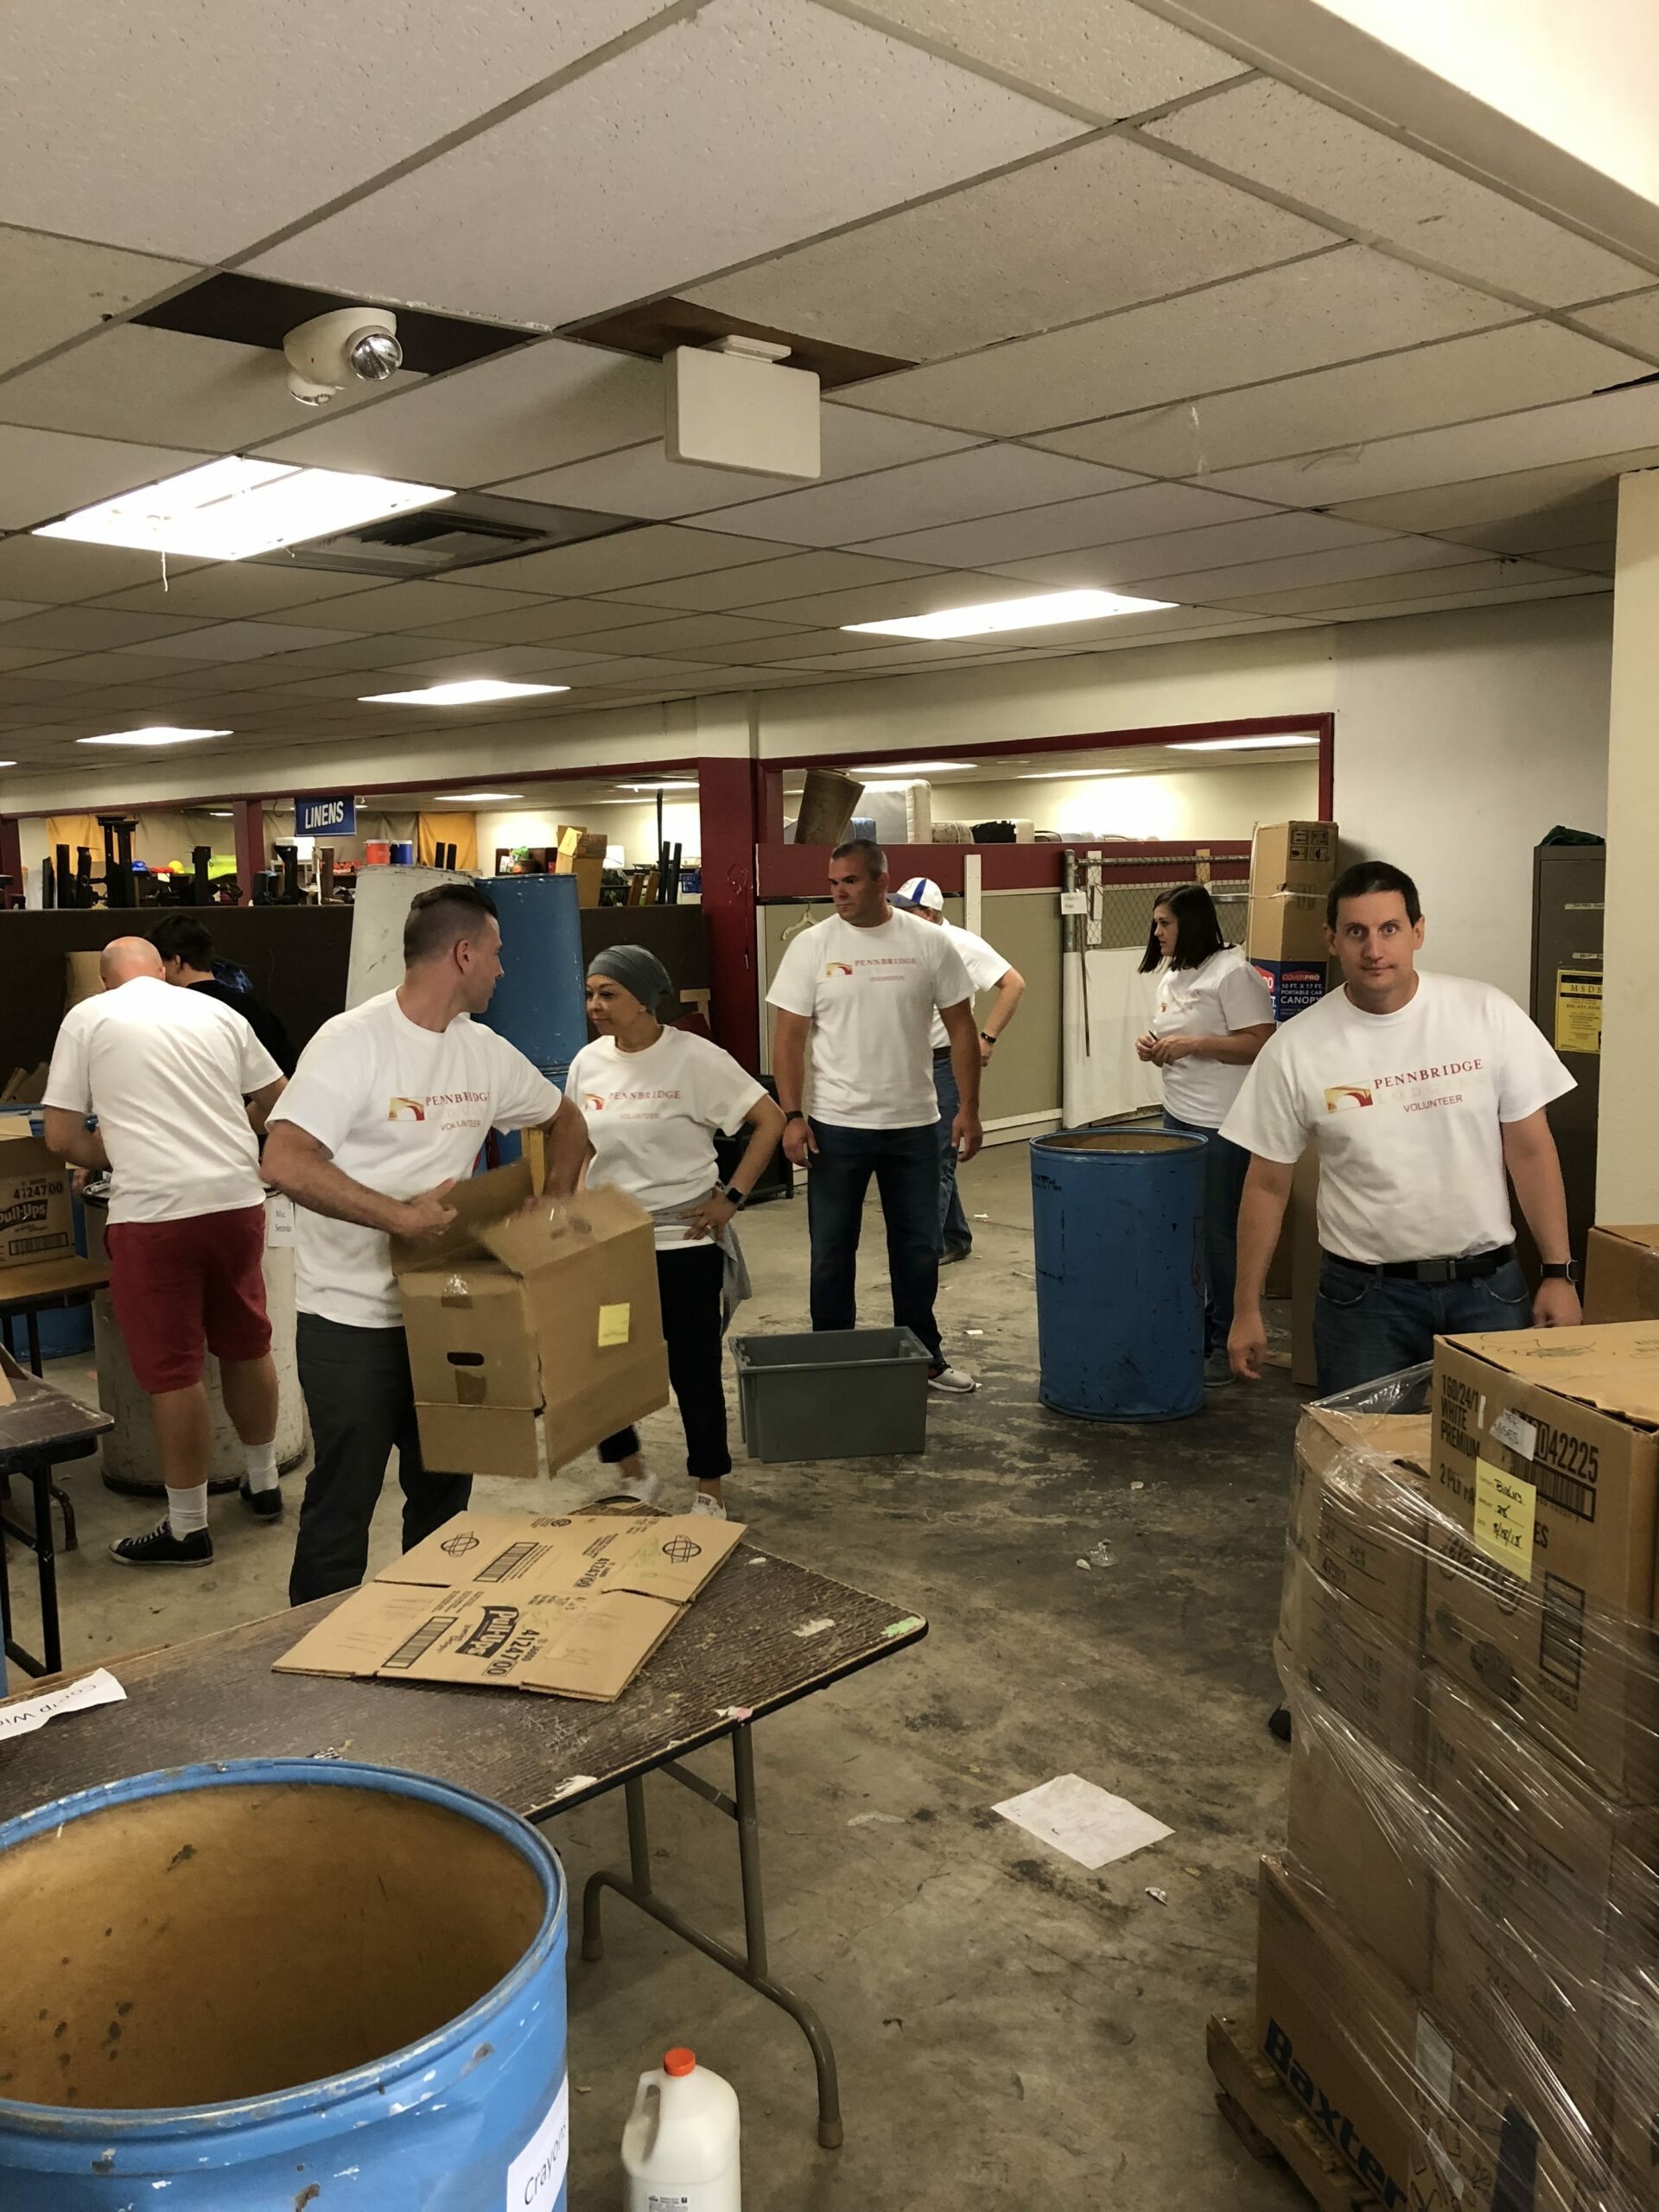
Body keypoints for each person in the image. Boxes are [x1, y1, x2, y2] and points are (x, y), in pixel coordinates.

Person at [263, 882, 589, 1605]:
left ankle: (430, 1623)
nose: (503, 971)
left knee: (445, 1490)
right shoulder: (352, 1043)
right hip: (351, 1318)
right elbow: (284, 1161)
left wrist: (554, 1207)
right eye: (497, 955)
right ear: (463, 954)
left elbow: (567, 1123)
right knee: (343, 1498)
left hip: (447, 1310)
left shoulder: (484, 1052)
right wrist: (399, 1219)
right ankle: (314, 1645)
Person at [1224, 861, 1580, 1397]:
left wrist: (1559, 1271)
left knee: (1494, 1472)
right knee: (1366, 1467)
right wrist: (1246, 1308)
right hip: (1364, 1303)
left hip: (1488, 1293)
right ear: (1331, 940)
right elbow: (1267, 1184)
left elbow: (1530, 1150)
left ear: (1417, 931)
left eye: (1389, 928)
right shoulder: (1296, 1048)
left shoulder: (1485, 1012)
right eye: (1356, 932)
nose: (1374, 949)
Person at [41, 937, 289, 1567]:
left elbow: (64, 1136)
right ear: (161, 971)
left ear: (105, 982)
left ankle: (188, 1529)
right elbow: (279, 1101)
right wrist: (226, 1137)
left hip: (154, 1216)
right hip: (237, 1203)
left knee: (175, 1371)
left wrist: (112, 1154)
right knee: (247, 1341)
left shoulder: (89, 1018)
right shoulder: (221, 1011)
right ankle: (264, 1486)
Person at [566, 945, 785, 1521]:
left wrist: (731, 1199)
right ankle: (634, 1476)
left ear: (644, 999)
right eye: (590, 994)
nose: (595, 1005)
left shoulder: (696, 1059)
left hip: (682, 1245)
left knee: (692, 1369)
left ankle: (709, 1489)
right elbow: (577, 1144)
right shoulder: (588, 1063)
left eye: (608, 994)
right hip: (611, 1247)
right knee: (603, 1366)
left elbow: (770, 1121)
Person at [768, 839, 982, 1395]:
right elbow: (789, 1038)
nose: (839, 892)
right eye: (833, 882)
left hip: (915, 1124)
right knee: (832, 1252)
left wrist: (970, 1110)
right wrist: (793, 1114)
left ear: (883, 881)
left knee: (916, 1249)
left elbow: (962, 1030)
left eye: (852, 881)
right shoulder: (812, 947)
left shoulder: (930, 943)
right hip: (836, 1127)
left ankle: (924, 1356)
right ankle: (832, 1358)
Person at [1134, 884, 1274, 1387]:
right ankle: (1193, 1325)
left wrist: (1194, 1043)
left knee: (1218, 1233)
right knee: (1186, 1227)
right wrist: (1155, 1047)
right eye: (1157, 924)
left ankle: (1224, 1338)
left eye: (1165, 923)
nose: (1158, 932)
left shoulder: (1232, 973)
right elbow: (1175, 1036)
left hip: (1221, 1123)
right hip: (1178, 1117)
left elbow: (1261, 1042)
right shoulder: (1173, 975)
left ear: (1190, 923)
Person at [891, 876, 1026, 1266]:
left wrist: (987, 1038)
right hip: (916, 1063)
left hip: (948, 1061)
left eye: (904, 911)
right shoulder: (908, 945)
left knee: (937, 1157)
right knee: (932, 1154)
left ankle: (924, 1250)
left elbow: (1013, 984)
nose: (895, 918)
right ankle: (955, 1237)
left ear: (928, 914)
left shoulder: (961, 945)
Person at [151, 912, 296, 1074]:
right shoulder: (253, 1007)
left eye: (159, 963)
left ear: (176, 961)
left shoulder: (170, 1013)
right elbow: (286, 1068)